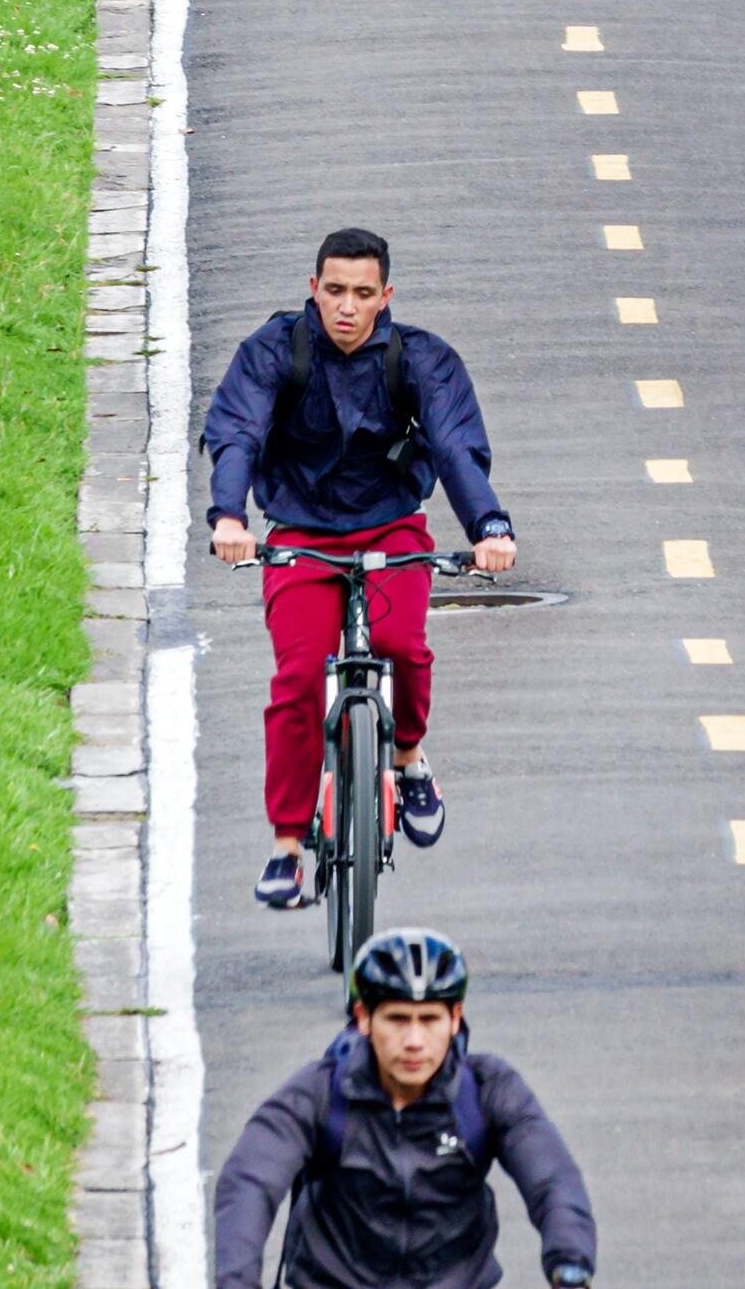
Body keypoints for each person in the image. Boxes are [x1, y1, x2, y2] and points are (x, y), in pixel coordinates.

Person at [208, 232, 511, 906]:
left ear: (386, 296)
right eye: (335, 290)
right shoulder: (274, 352)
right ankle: (287, 846)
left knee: (402, 644)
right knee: (297, 678)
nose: (347, 307)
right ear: (313, 288)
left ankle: (407, 758)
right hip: (300, 534)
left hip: (390, 527)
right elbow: (238, 431)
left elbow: (455, 445)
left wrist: (489, 527)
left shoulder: (419, 358)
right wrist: (229, 516)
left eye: (363, 293)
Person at [212, 929, 597, 1289]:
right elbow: (251, 1181)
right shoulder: (320, 1093)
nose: (414, 1040)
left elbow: (551, 1179)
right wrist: (236, 1281)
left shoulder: (486, 1090)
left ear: (455, 1019)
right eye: (397, 1019)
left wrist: (570, 1261)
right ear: (364, 1018)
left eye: (429, 1019)